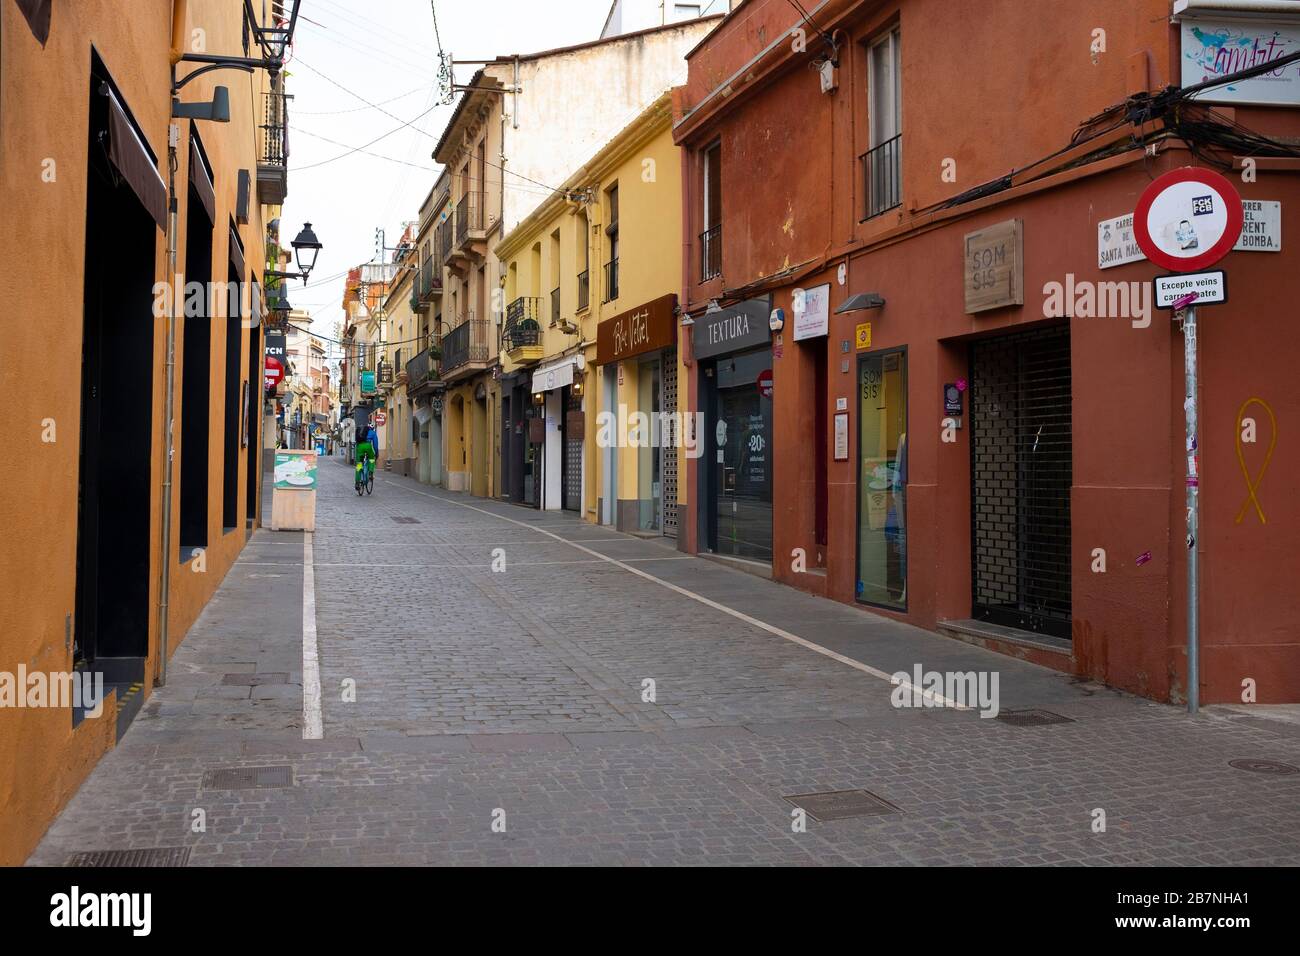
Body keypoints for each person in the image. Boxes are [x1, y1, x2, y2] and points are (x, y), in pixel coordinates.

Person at [355, 421, 377, 489]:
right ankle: (370, 472)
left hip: (360, 447)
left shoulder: (360, 432)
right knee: (371, 459)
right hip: (368, 446)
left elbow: (356, 441)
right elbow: (375, 444)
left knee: (359, 465)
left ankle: (357, 483)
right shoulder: (373, 433)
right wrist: (376, 453)